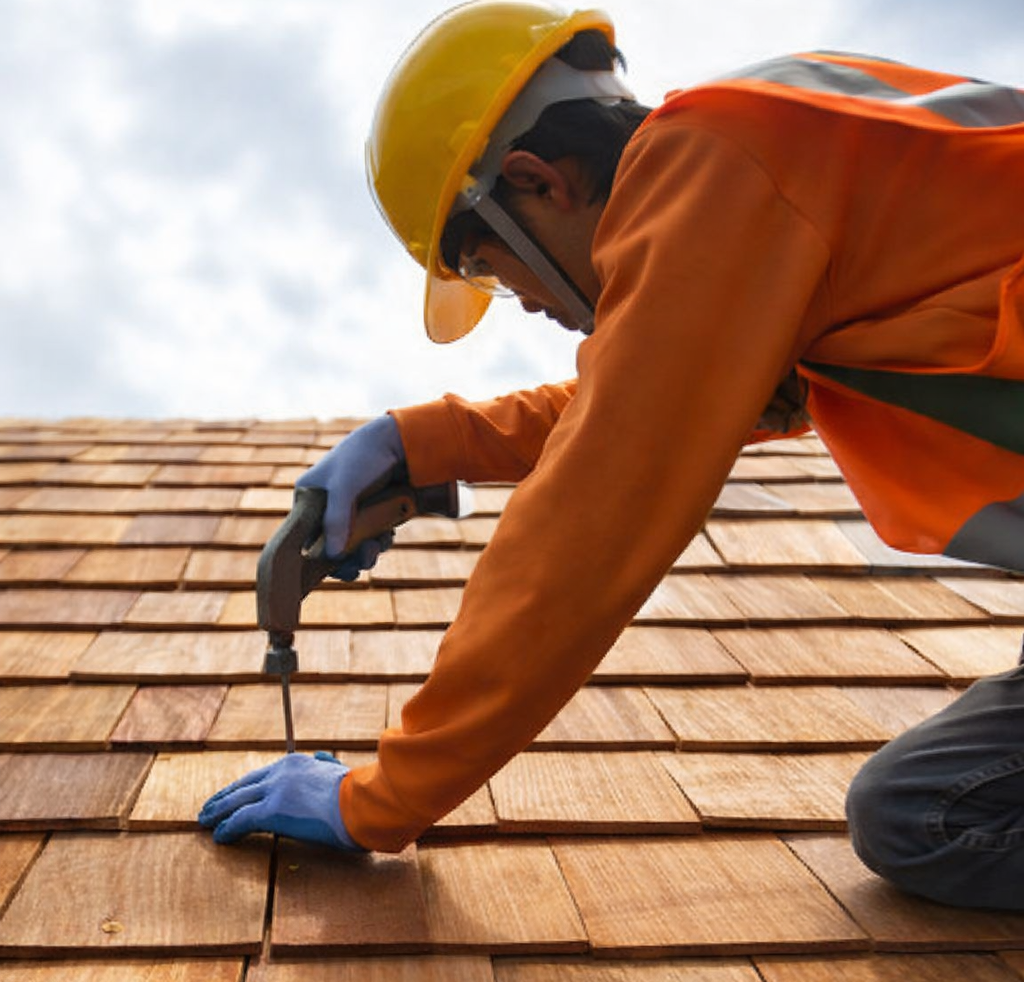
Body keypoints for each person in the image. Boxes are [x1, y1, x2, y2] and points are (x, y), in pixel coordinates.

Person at [199, 1, 1024, 910]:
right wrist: (424, 442)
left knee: (929, 819)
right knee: (919, 813)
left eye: (485, 266)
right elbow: (645, 398)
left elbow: (594, 512)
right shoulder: (752, 179)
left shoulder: (712, 165)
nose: (515, 301)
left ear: (535, 180)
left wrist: (381, 799)